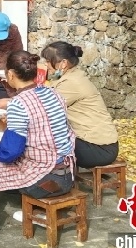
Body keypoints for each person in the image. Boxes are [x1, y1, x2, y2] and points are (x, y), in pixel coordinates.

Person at [0, 50, 75, 226]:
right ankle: (37, 210)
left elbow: (10, 153)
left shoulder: (18, 103)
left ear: (10, 74)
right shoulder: (54, 93)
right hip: (69, 175)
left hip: (44, 182)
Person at [42, 41, 119, 169]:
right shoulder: (70, 77)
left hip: (99, 149)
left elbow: (42, 106)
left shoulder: (72, 82)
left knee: (41, 140)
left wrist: (11, 102)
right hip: (96, 144)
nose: (45, 64)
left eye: (48, 61)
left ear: (63, 63)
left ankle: (51, 178)